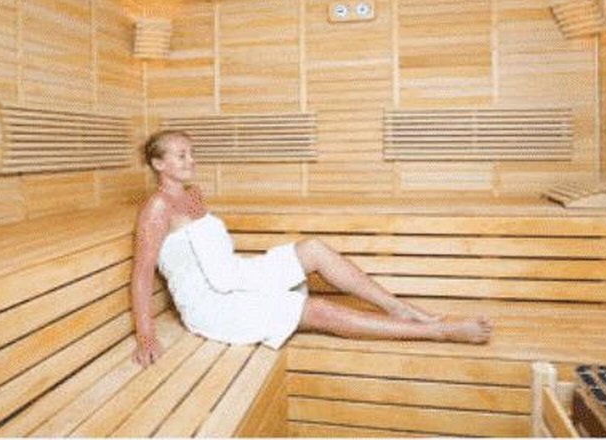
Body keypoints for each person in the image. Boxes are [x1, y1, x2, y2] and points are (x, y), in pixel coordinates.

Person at [132, 130, 492, 367]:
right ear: (158, 164)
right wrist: (146, 335)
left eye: (191, 153)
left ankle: (399, 309)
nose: (191, 160)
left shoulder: (193, 195)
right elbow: (143, 275)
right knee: (316, 309)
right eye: (181, 155)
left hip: (235, 275)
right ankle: (440, 332)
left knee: (314, 249)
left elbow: (211, 250)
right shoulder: (156, 210)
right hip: (213, 304)